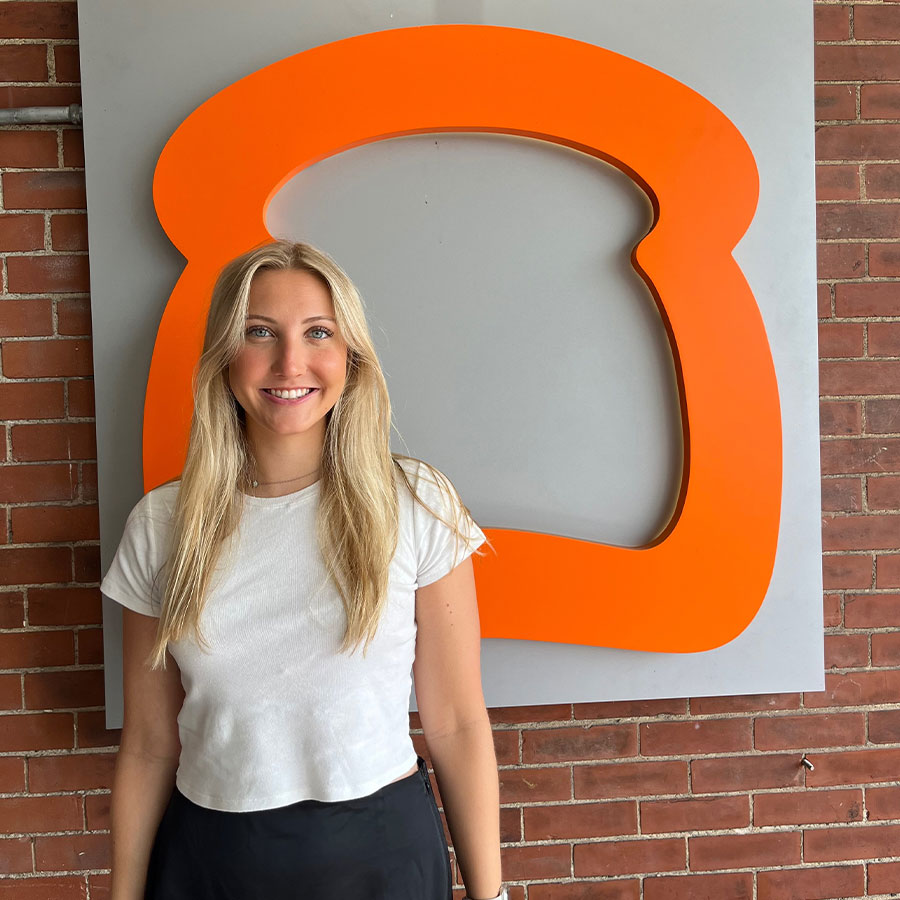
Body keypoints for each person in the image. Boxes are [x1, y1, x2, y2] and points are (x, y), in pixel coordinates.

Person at [101, 240, 506, 900]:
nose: (291, 362)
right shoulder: (161, 526)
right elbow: (149, 746)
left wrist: (493, 896)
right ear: (226, 356)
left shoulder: (417, 502)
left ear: (350, 356)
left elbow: (457, 722)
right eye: (260, 332)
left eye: (318, 332)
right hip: (212, 861)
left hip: (383, 855)